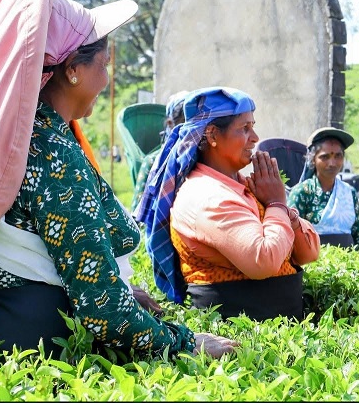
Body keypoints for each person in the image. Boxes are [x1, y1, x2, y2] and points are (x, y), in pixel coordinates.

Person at [0, 0, 236, 358]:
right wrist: (187, 342)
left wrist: (121, 291)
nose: (106, 80)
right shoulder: (52, 153)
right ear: (72, 70)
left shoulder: (18, 135)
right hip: (38, 360)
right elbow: (104, 311)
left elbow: (51, 255)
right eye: (103, 65)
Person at [136, 87, 320, 320]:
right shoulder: (205, 195)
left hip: (273, 332)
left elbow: (309, 252)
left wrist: (284, 212)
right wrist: (276, 203)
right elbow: (263, 260)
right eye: (244, 128)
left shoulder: (246, 188)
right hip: (239, 340)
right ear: (212, 135)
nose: (254, 138)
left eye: (253, 126)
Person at [287, 127, 359, 251]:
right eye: (325, 157)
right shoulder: (302, 192)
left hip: (349, 265)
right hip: (315, 266)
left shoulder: (349, 192)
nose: (332, 163)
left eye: (338, 156)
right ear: (313, 159)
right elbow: (290, 237)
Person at [130, 90, 189, 211]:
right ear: (170, 123)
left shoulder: (199, 159)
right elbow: (137, 213)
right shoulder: (153, 163)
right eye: (185, 124)